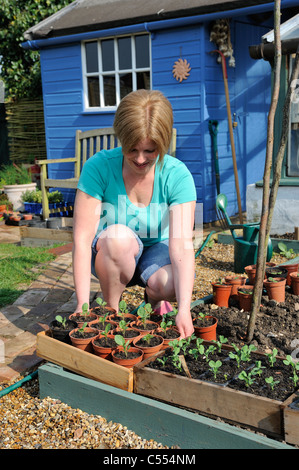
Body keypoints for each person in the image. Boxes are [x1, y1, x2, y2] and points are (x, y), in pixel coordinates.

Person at [72, 89, 197, 339]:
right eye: (132, 149)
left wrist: (184, 309)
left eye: (150, 151)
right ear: (121, 138)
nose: (140, 159)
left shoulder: (177, 175)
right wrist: (82, 306)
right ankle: (112, 310)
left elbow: (182, 247)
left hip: (157, 250)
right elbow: (82, 240)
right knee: (118, 238)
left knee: (168, 283)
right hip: (113, 253)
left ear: (162, 144)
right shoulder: (99, 167)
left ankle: (151, 304)